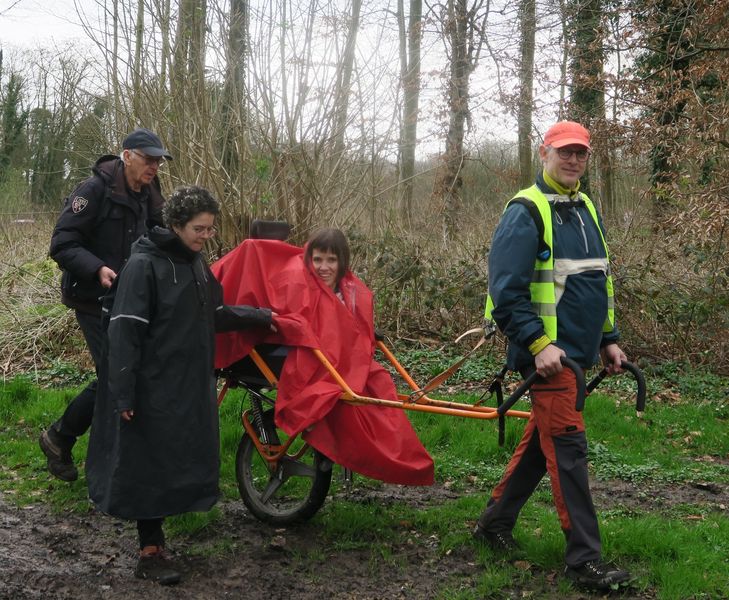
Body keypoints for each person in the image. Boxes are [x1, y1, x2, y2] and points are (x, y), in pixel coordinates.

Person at [85, 186, 275, 585]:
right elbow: (124, 333)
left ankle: (162, 538)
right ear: (174, 224)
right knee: (147, 462)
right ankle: (150, 550)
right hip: (151, 384)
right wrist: (123, 392)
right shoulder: (143, 266)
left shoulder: (194, 263)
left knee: (175, 457)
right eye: (198, 229)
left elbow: (215, 313)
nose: (206, 236)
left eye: (210, 229)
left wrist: (261, 317)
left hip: (188, 383)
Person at [474, 121, 631, 591]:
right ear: (544, 153)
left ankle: (493, 525)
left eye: (581, 154)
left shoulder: (584, 207)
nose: (573, 160)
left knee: (543, 447)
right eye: (565, 152)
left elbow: (597, 282)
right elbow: (506, 293)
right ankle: (585, 560)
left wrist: (609, 338)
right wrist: (539, 346)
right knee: (568, 450)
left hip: (577, 353)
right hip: (545, 356)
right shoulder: (526, 210)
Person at [212, 228, 434, 486]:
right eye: (317, 260)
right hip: (312, 358)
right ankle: (374, 456)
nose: (324, 267)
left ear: (342, 262)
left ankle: (402, 459)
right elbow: (294, 318)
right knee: (341, 400)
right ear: (309, 259)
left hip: (344, 359)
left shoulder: (350, 289)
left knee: (381, 387)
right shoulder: (299, 282)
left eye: (331, 260)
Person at [40, 128, 171, 482]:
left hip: (132, 300)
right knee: (117, 375)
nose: (154, 167)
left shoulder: (149, 192)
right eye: (148, 159)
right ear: (127, 155)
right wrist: (97, 267)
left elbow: (161, 234)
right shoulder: (92, 191)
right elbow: (62, 244)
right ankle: (67, 440)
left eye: (159, 161)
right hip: (92, 299)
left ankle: (70, 441)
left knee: (128, 373)